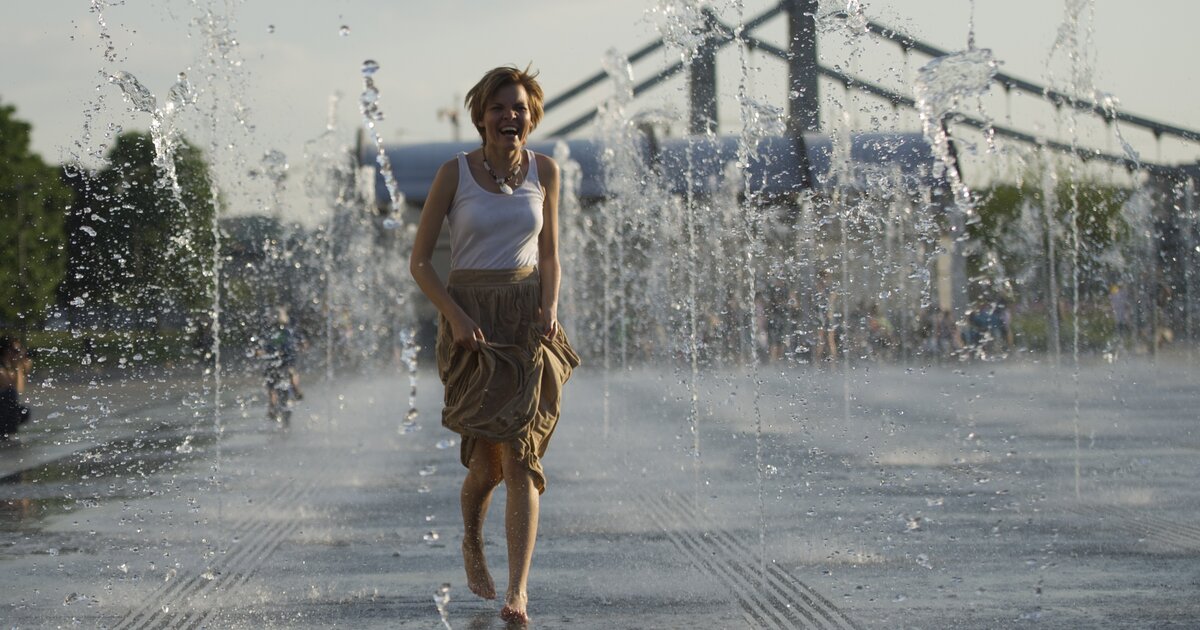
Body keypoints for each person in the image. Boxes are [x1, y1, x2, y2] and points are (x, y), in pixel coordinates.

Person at [409, 65, 580, 625]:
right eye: (500, 108)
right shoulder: (452, 174)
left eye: (521, 109)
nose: (511, 116)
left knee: (522, 458)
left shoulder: (546, 171)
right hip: (470, 322)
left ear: (533, 118)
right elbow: (419, 262)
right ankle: (472, 540)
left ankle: (519, 590)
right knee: (487, 467)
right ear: (481, 116)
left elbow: (550, 254)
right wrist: (454, 315)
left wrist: (550, 306)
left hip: (526, 319)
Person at [261, 307, 305, 418]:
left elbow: (263, 345)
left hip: (282, 359)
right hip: (279, 360)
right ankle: (275, 404)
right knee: (286, 373)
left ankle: (293, 392)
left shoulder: (283, 330)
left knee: (276, 381)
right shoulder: (283, 330)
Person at [0, 336, 33, 439]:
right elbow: (12, 388)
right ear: (6, 351)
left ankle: (6, 430)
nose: (19, 354)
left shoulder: (8, 367)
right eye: (16, 351)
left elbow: (19, 389)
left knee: (23, 411)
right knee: (9, 394)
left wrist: (21, 368)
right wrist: (18, 366)